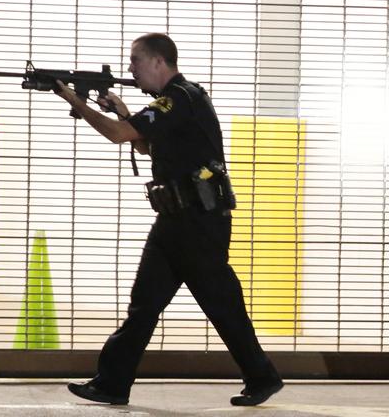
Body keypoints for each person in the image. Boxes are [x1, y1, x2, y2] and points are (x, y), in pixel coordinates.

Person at [55, 33, 283, 406]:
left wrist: (74, 100)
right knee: (145, 303)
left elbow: (117, 136)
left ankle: (262, 375)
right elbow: (145, 144)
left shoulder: (179, 98)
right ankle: (112, 382)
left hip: (197, 222)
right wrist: (125, 113)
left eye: (136, 61)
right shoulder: (172, 102)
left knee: (221, 303)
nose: (131, 69)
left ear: (159, 61)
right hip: (176, 220)